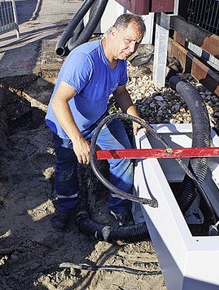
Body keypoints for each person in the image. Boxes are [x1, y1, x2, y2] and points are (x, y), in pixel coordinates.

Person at [45, 13, 146, 231]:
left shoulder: (120, 62)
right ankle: (66, 207)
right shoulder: (85, 59)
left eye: (137, 43)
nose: (132, 48)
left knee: (123, 156)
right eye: (128, 40)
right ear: (112, 33)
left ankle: (119, 210)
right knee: (67, 167)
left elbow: (120, 92)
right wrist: (77, 139)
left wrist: (134, 115)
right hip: (67, 123)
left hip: (98, 118)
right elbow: (59, 101)